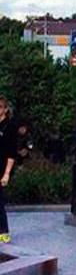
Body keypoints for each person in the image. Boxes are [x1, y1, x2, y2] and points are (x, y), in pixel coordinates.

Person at [0, 96, 17, 244]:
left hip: (2, 165)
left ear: (5, 109)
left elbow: (12, 153)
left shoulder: (10, 126)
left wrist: (6, 173)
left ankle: (3, 231)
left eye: (0, 107)